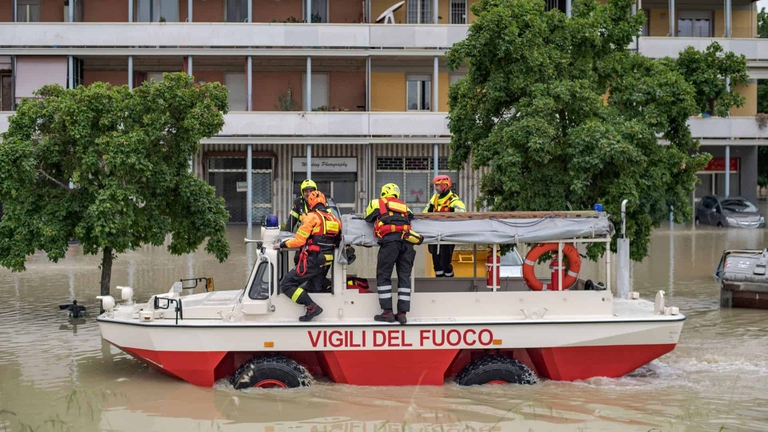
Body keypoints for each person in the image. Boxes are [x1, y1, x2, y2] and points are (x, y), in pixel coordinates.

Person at [274, 190, 342, 322]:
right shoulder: (335, 220)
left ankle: (311, 306)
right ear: (325, 202)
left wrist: (282, 245)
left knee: (286, 284)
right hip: (326, 262)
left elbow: (299, 241)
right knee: (314, 287)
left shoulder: (311, 217)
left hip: (312, 261)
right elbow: (338, 242)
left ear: (310, 203)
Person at [364, 183, 422, 325]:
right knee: (404, 277)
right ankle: (402, 314)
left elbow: (368, 218)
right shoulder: (404, 206)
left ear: (383, 192)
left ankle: (387, 313)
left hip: (390, 243)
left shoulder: (377, 203)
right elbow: (411, 218)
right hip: (407, 243)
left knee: (384, 276)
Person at [422, 175, 466, 278]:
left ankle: (449, 283)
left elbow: (461, 213)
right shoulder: (434, 198)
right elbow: (425, 211)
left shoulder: (454, 200)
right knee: (436, 264)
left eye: (437, 185)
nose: (435, 188)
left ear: (445, 185)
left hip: (447, 235)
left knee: (445, 262)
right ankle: (439, 283)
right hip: (434, 234)